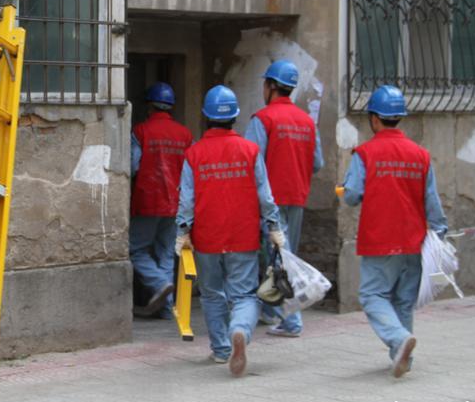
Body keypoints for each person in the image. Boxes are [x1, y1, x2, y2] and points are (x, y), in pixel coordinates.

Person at [339, 84, 448, 378]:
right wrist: (440, 232)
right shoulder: (420, 155)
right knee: (402, 301)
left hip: (380, 240)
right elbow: (432, 200)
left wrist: (345, 189)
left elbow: (352, 195)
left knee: (372, 296)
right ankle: (402, 359)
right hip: (414, 241)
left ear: (374, 119)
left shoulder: (365, 153)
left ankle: (399, 340)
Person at [175, 85, 284, 377]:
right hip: (243, 236)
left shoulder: (194, 154)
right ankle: (240, 330)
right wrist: (274, 227)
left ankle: (222, 349)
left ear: (206, 116)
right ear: (235, 117)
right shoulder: (250, 151)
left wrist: (183, 231)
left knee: (212, 294)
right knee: (245, 295)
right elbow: (265, 196)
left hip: (207, 238)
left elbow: (187, 201)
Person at [244, 60, 324, 338]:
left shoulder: (263, 119)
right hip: (297, 197)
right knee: (284, 255)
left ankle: (291, 319)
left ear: (270, 86)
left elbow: (250, 162)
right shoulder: (307, 122)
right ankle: (270, 310)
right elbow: (317, 163)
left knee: (279, 258)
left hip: (270, 203)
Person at [130, 82, 194, 318]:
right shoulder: (185, 134)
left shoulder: (141, 131)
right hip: (176, 203)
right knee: (166, 253)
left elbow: (132, 166)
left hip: (148, 200)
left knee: (135, 250)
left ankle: (159, 283)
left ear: (149, 106)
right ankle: (166, 309)